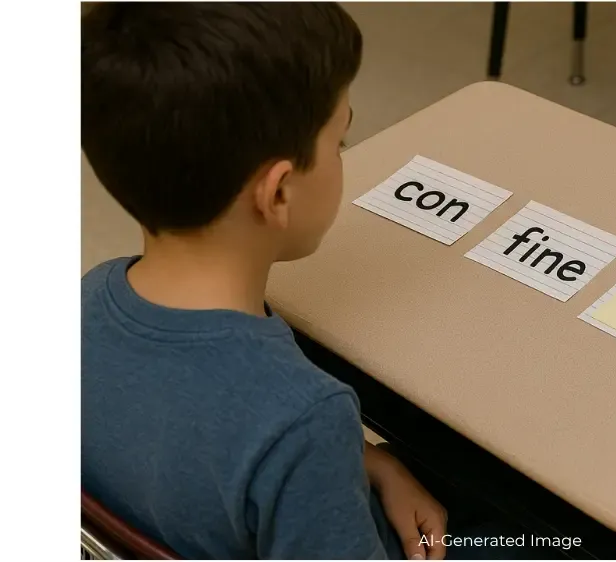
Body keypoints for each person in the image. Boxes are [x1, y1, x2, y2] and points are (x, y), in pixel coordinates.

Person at [81, 3, 560, 560]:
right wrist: (324, 454)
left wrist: (361, 460)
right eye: (339, 144)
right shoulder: (305, 417)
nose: (343, 157)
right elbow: (272, 431)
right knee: (560, 539)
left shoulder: (87, 301)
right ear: (278, 192)